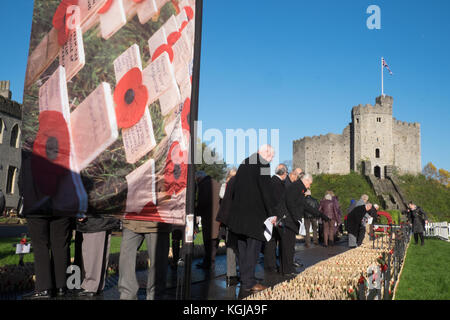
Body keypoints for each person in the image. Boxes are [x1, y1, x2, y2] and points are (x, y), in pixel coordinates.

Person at [226, 145, 277, 296]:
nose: (272, 159)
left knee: (242, 249)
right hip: (255, 215)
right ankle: (249, 282)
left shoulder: (244, 163)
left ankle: (245, 278)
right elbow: (266, 190)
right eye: (272, 156)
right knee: (252, 250)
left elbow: (235, 187)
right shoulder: (263, 164)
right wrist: (272, 213)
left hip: (239, 215)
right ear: (265, 153)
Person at [277, 174, 330, 278]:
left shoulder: (298, 188)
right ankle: (287, 270)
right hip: (287, 220)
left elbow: (304, 205)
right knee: (287, 246)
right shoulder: (297, 187)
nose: (309, 187)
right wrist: (296, 217)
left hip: (289, 220)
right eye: (309, 184)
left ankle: (286, 269)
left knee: (288, 246)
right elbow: (290, 202)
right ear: (305, 181)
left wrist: (320, 215)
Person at [118, 218, 171, 300]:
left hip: (157, 221)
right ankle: (127, 295)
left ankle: (154, 296)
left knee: (158, 263)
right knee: (125, 258)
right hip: (132, 220)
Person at [74, 215, 120, 297]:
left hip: (94, 219)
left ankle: (90, 286)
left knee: (91, 253)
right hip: (106, 218)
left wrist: (82, 211)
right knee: (101, 254)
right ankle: (97, 286)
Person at [264, 164, 287, 273]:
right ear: (284, 173)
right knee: (273, 241)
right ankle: (271, 266)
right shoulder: (277, 184)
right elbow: (278, 202)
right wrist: (278, 217)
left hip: (270, 215)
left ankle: (270, 265)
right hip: (275, 216)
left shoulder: (271, 181)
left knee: (271, 241)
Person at [216, 168, 238, 286]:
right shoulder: (226, 186)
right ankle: (231, 274)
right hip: (229, 221)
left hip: (234, 220)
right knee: (231, 247)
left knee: (234, 247)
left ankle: (233, 273)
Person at [195, 171, 221, 269]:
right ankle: (209, 262)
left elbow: (202, 203)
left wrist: (195, 212)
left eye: (197, 180)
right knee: (214, 242)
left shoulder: (203, 186)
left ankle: (209, 264)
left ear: (199, 178)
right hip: (218, 217)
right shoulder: (217, 183)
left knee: (208, 242)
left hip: (208, 218)